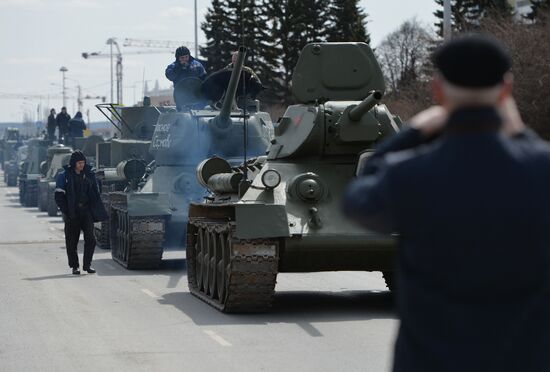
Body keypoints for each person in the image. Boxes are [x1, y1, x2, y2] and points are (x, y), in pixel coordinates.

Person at [343, 34, 550, 372]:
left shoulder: (407, 175)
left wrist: (410, 132)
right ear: (506, 89)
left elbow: (357, 201)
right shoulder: (542, 171)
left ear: (437, 90)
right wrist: (522, 134)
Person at [55, 150, 108, 275]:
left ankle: (87, 265)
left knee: (91, 239)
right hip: (72, 212)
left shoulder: (89, 175)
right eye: (79, 163)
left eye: (83, 162)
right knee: (72, 241)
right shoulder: (64, 176)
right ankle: (75, 266)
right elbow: (58, 195)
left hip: (86, 211)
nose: (81, 165)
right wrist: (66, 211)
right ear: (74, 163)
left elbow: (96, 191)